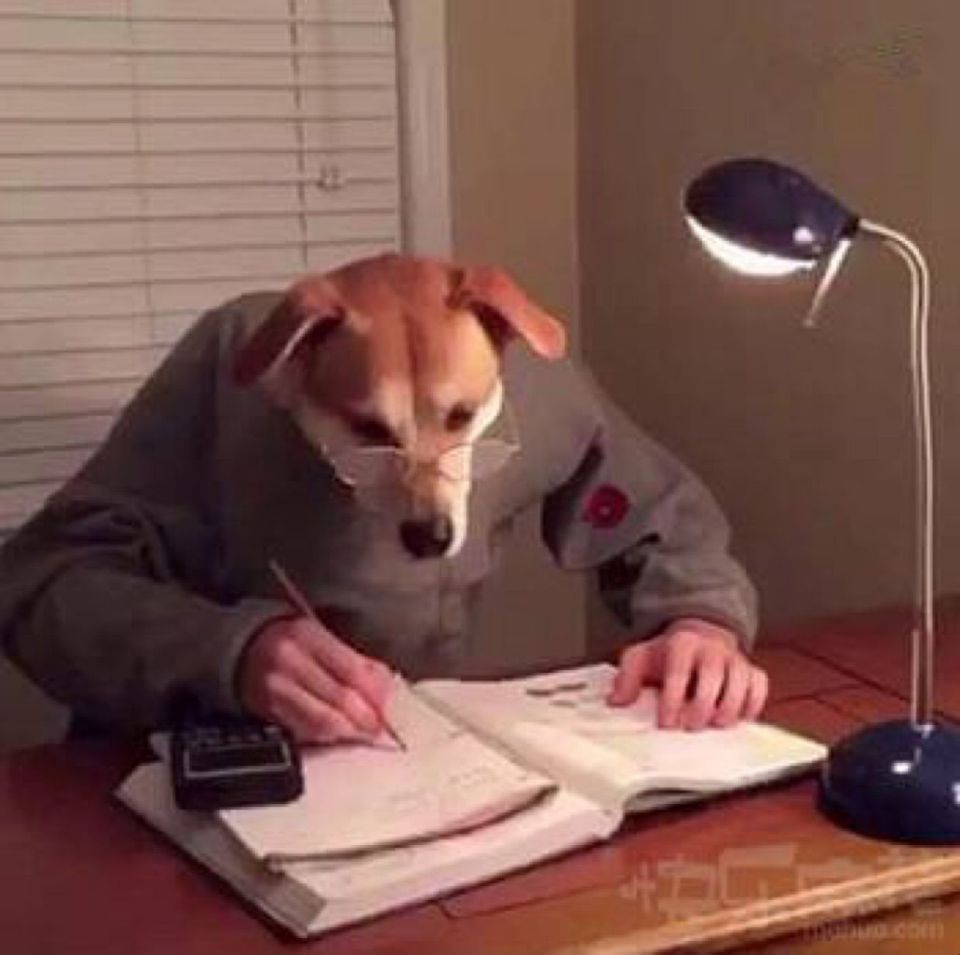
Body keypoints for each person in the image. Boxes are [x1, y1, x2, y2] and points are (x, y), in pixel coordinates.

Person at [0, 271, 766, 743]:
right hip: (191, 771)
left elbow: (659, 512)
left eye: (459, 420)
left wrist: (697, 620)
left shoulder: (525, 378)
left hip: (412, 764)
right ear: (292, 367)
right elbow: (40, 584)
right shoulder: (239, 362)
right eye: (372, 433)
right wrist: (230, 651)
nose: (425, 486)